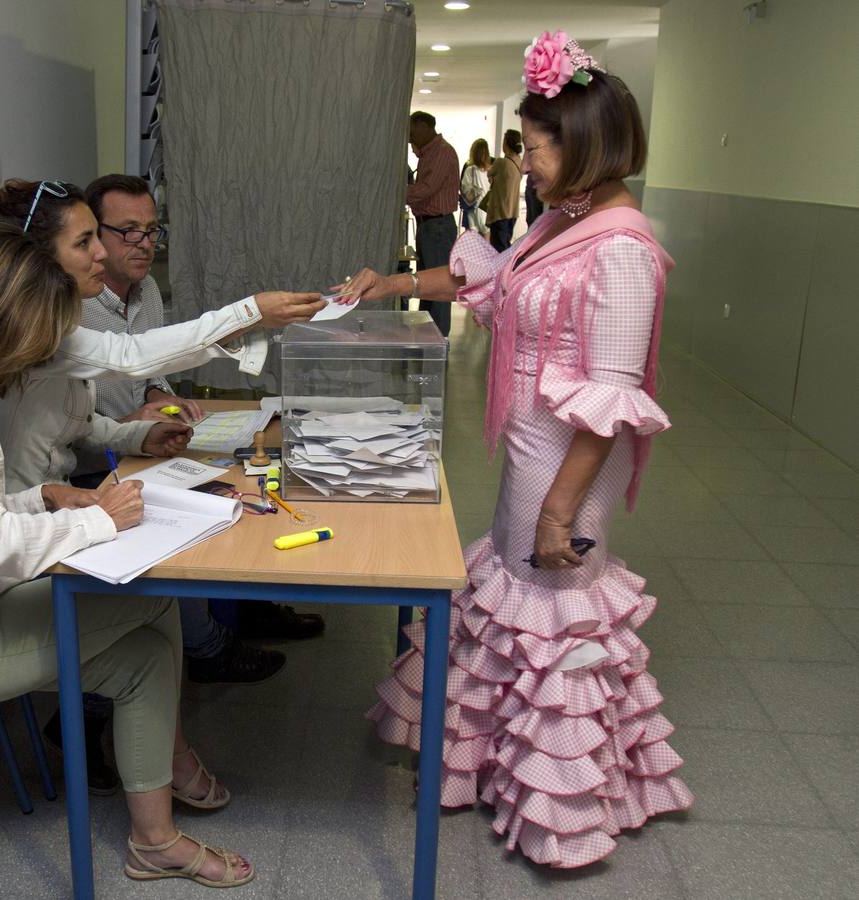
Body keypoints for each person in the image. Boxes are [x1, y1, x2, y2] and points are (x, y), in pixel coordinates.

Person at [0, 215, 323, 885]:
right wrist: (98, 521)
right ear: (2, 318)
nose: (47, 346)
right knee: (149, 612)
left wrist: (46, 494)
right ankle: (159, 825)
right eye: (43, 328)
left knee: (144, 638)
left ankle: (156, 828)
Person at [338, 31, 693, 869]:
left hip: (567, 464)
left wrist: (559, 512)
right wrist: (394, 283)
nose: (523, 164)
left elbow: (608, 408)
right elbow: (491, 280)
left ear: (585, 146)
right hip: (535, 447)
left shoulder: (620, 247)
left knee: (553, 607)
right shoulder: (569, 221)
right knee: (518, 603)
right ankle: (509, 767)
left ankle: (560, 815)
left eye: (535, 150)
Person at [79, 174, 323, 675]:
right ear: (92, 236)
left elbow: (148, 367)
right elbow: (117, 369)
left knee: (244, 487)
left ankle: (245, 608)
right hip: (90, 468)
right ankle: (207, 648)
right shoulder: (69, 308)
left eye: (151, 231)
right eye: (128, 232)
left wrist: (156, 397)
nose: (144, 245)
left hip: (137, 448)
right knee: (195, 517)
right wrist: (130, 423)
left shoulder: (144, 292)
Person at [406, 111, 460, 336]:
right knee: (426, 286)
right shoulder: (428, 153)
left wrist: (393, 192)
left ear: (424, 126)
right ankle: (428, 338)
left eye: (412, 130)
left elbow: (427, 188)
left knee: (437, 288)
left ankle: (438, 340)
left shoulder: (442, 152)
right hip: (428, 227)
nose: (409, 136)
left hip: (437, 227)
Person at [483, 129, 523, 251]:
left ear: (506, 143)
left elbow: (490, 172)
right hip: (513, 211)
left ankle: (504, 270)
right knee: (505, 243)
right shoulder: (519, 162)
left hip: (500, 212)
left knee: (498, 248)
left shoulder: (501, 162)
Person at [459, 139, 491, 237]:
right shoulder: (491, 171)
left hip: (472, 211)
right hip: (486, 210)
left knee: (474, 244)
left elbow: (464, 189)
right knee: (487, 244)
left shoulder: (470, 170)